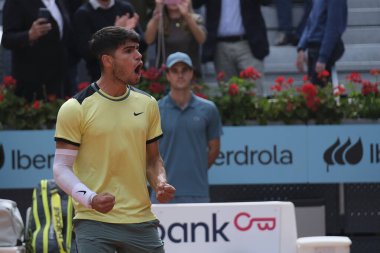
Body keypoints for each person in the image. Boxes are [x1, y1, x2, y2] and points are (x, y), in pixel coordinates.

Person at [53, 26, 175, 253]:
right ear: (108, 61)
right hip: (94, 222)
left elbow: (153, 159)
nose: (138, 56)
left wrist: (159, 181)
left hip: (141, 221)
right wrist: (90, 198)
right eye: (128, 51)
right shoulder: (75, 108)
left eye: (137, 49)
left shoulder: (148, 104)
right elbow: (61, 168)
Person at [151, 52, 223, 204]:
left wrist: (197, 169)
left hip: (198, 192)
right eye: (175, 71)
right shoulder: (155, 109)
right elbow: (148, 153)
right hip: (162, 194)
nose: (180, 75)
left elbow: (214, 149)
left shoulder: (209, 109)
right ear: (168, 75)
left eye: (184, 70)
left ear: (191, 73)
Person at [192, 0, 270, 96]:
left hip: (249, 44)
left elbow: (267, 2)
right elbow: (195, 3)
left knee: (254, 95)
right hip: (221, 45)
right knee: (228, 96)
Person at [1, 0, 71, 100]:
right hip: (31, 81)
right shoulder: (16, 2)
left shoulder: (59, 2)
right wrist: (29, 35)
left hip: (59, 78)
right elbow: (7, 39)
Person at [73, 0, 147, 81]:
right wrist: (117, 31)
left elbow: (143, 45)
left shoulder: (125, 8)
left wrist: (131, 33)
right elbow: (86, 52)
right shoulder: (83, 13)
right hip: (102, 79)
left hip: (133, 75)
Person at [145, 0, 206, 79]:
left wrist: (187, 16)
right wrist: (157, 12)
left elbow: (201, 39)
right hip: (166, 75)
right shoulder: (159, 20)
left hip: (191, 74)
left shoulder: (195, 18)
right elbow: (148, 40)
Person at [295, 0, 347, 86]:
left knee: (318, 91)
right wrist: (301, 48)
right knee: (313, 91)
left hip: (323, 48)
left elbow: (333, 27)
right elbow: (310, 22)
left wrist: (323, 57)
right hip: (315, 47)